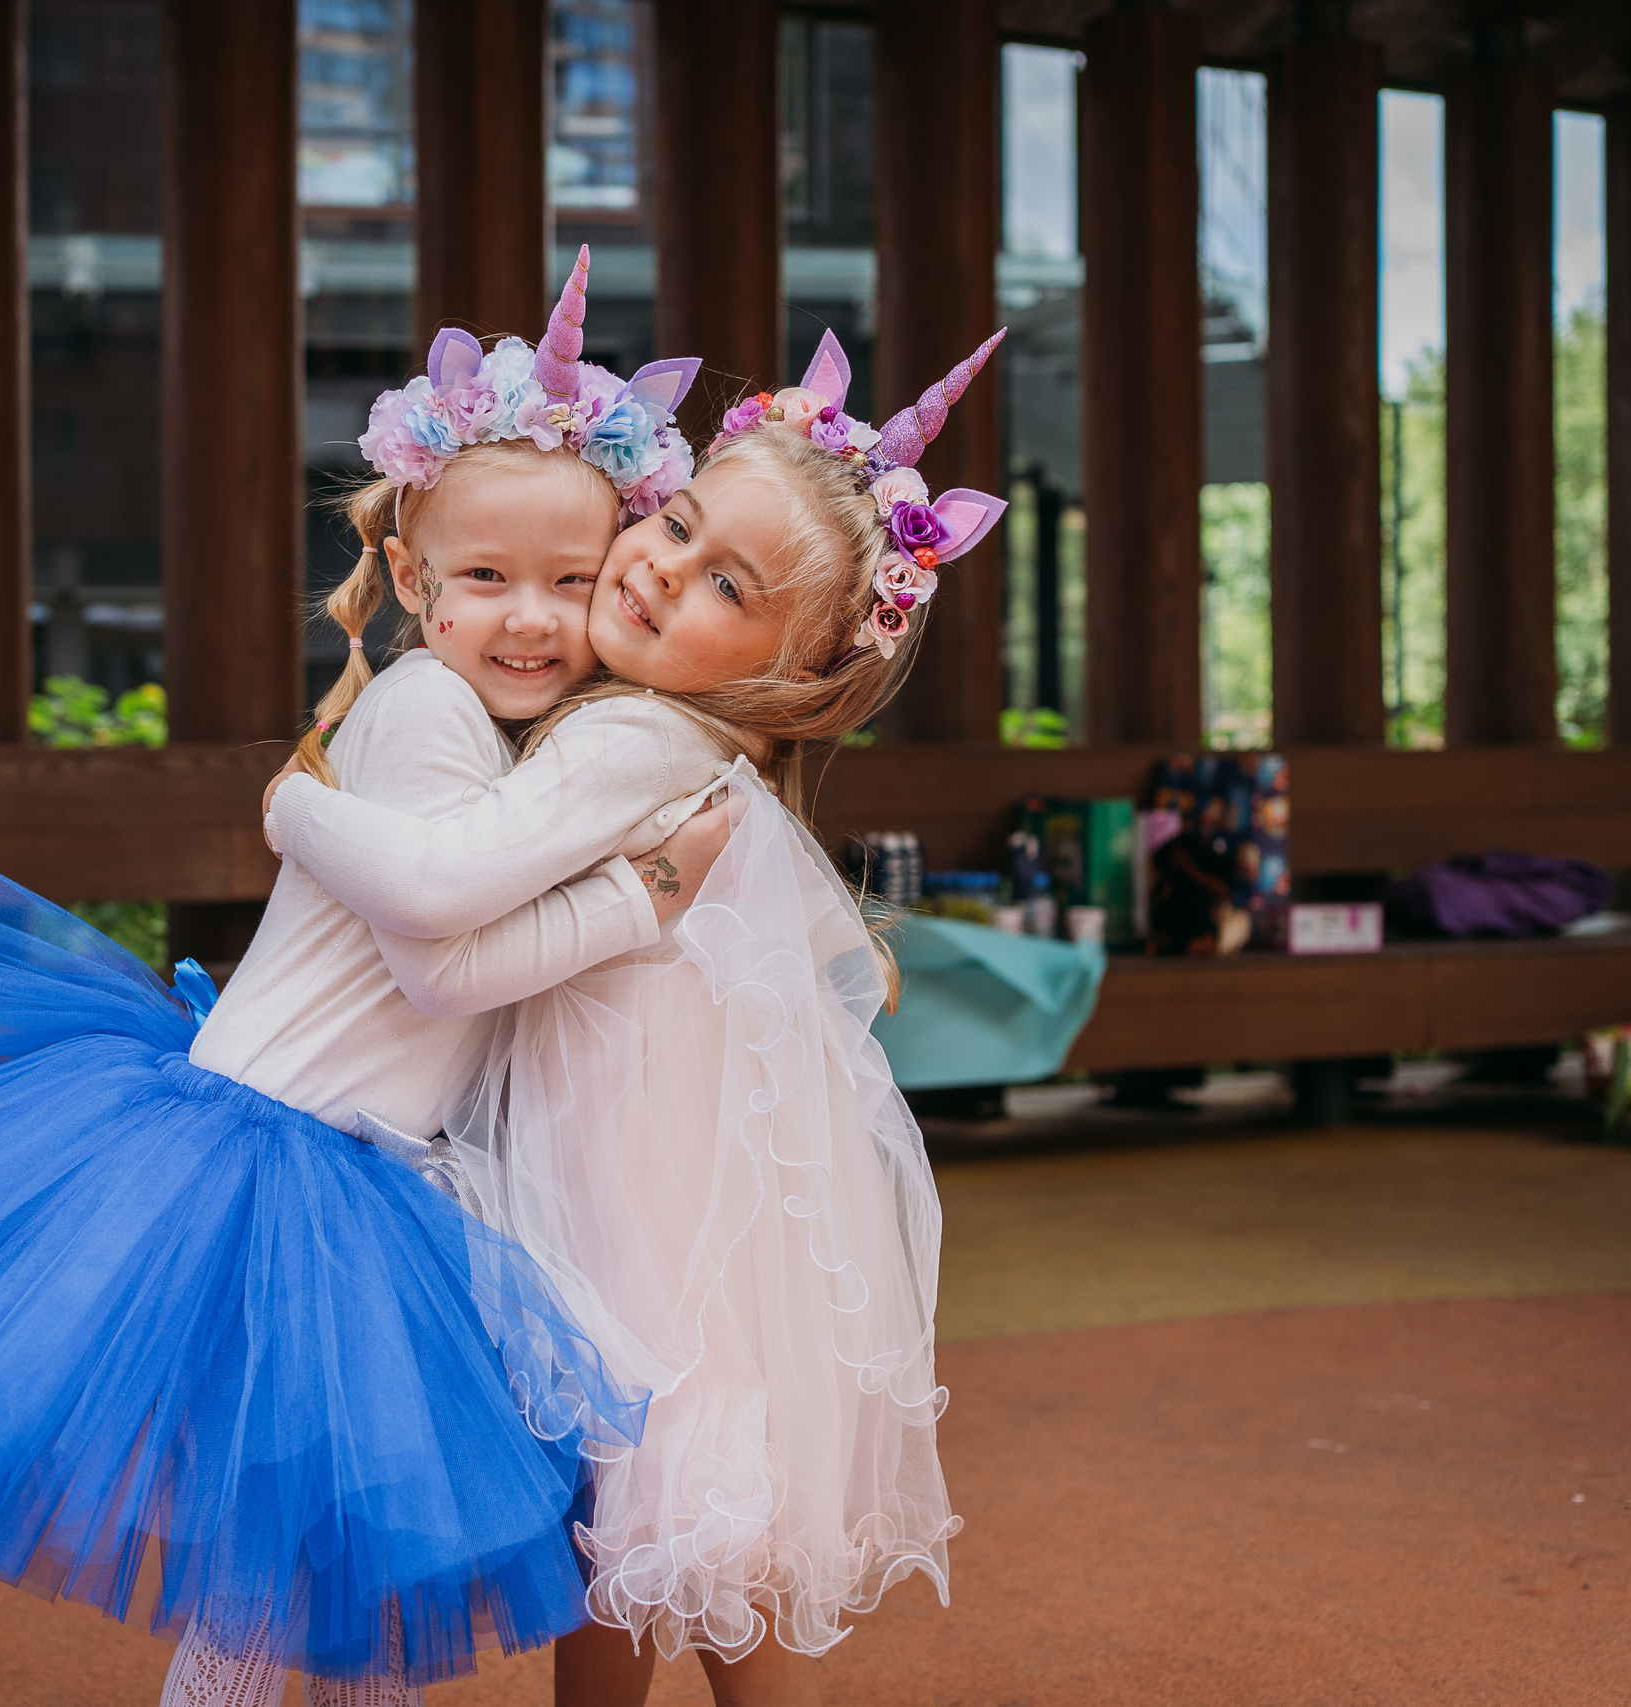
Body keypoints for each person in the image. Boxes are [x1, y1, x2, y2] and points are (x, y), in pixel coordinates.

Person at [0, 253, 720, 1705]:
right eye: (488, 580)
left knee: (333, 1589)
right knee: (290, 1599)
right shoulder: (434, 712)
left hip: (342, 1168)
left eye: (572, 584)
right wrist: (640, 896)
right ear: (411, 584)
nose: (533, 619)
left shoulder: (495, 737)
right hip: (285, 1171)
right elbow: (438, 967)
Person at [262, 327, 1006, 1707]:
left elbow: (443, 916)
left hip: (628, 1232)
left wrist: (295, 801)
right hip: (672, 1228)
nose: (662, 562)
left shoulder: (626, 741)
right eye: (675, 520)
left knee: (638, 1520)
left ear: (794, 662)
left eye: (726, 580)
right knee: (688, 1538)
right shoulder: (677, 742)